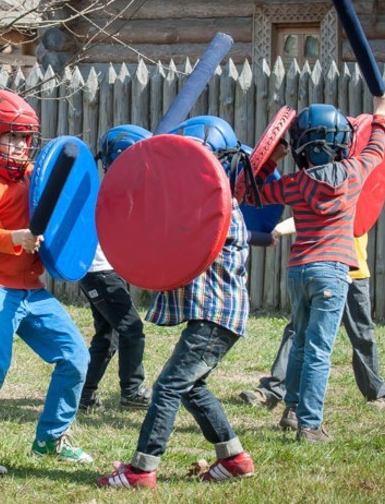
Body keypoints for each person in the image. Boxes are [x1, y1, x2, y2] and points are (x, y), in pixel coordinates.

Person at [97, 116, 264, 489]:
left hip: (214, 316)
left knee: (169, 387)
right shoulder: (207, 207)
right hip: (218, 317)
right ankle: (235, 458)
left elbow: (170, 235)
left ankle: (142, 469)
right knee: (190, 386)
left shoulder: (215, 212)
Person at [0, 89, 92, 475]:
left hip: (32, 289)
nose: (20, 146)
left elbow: (65, 207)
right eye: (11, 136)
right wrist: (16, 237)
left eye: (26, 138)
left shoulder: (33, 176)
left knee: (76, 357)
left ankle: (50, 440)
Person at [251, 93, 385, 443]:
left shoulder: (295, 184)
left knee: (300, 343)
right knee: (318, 350)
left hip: (298, 271)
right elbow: (376, 148)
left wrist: (271, 159)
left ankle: (293, 409)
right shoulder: (353, 172)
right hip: (332, 271)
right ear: (341, 143)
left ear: (300, 144)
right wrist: (381, 114)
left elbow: (248, 192)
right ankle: (310, 426)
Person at [238, 218, 385, 415]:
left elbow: (336, 217)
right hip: (320, 270)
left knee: (361, 333)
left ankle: (376, 392)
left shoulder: (354, 192)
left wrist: (277, 230)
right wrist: (276, 230)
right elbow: (311, 213)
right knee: (297, 331)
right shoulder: (321, 190)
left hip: (353, 271)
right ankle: (272, 390)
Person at [78, 125, 152, 413]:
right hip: (100, 272)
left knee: (107, 337)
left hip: (107, 270)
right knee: (132, 328)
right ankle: (131, 391)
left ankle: (84, 393)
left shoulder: (120, 189)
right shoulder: (110, 191)